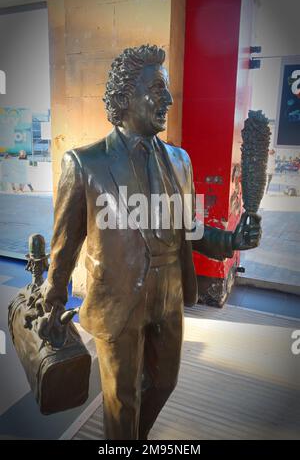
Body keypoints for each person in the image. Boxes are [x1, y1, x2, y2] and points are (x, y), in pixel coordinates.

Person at [43, 45, 261, 440]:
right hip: (118, 302)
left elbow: (188, 228)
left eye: (168, 91)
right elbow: (64, 245)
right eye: (157, 91)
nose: (169, 100)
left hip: (169, 297)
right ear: (125, 97)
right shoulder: (84, 164)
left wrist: (231, 239)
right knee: (121, 400)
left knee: (163, 384)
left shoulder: (180, 160)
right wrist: (53, 297)